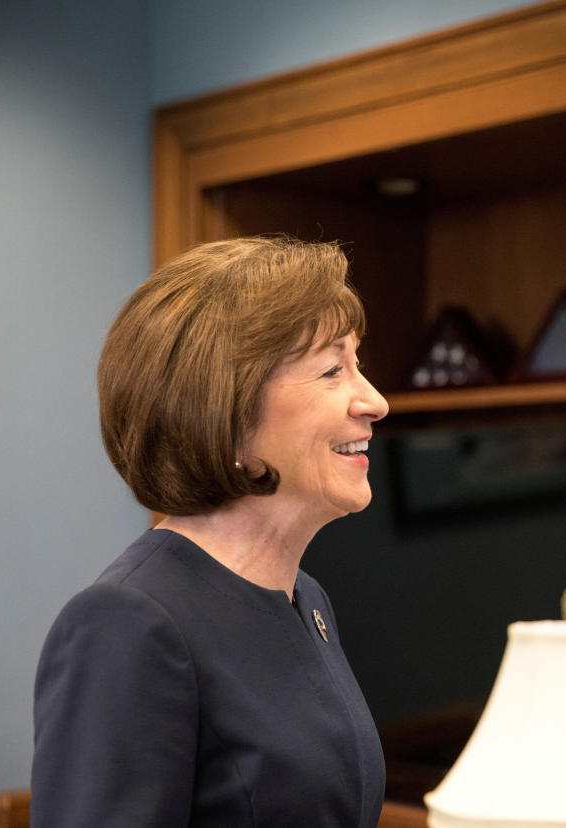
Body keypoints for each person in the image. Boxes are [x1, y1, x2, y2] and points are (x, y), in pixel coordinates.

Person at [32, 236, 389, 826]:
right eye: (332, 370)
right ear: (227, 414)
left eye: (358, 365)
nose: (374, 401)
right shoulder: (126, 622)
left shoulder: (307, 599)